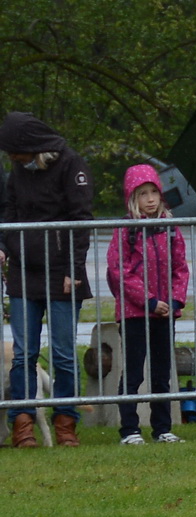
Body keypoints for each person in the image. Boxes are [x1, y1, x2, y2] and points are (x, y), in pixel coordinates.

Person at [1, 111, 93, 449]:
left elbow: (81, 219)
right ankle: (22, 423)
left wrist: (73, 268)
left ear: (31, 146)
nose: (12, 159)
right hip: (24, 271)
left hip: (63, 273)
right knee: (24, 353)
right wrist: (6, 245)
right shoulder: (17, 170)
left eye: (15, 152)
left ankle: (66, 422)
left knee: (63, 353)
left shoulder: (72, 165)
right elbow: (9, 211)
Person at [106, 165, 189, 445]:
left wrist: (176, 300)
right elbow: (119, 271)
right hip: (135, 313)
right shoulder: (125, 230)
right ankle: (129, 428)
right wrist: (149, 301)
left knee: (162, 370)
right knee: (132, 371)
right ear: (133, 198)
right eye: (143, 194)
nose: (150, 199)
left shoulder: (170, 228)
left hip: (166, 311)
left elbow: (181, 267)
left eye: (154, 192)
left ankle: (162, 426)